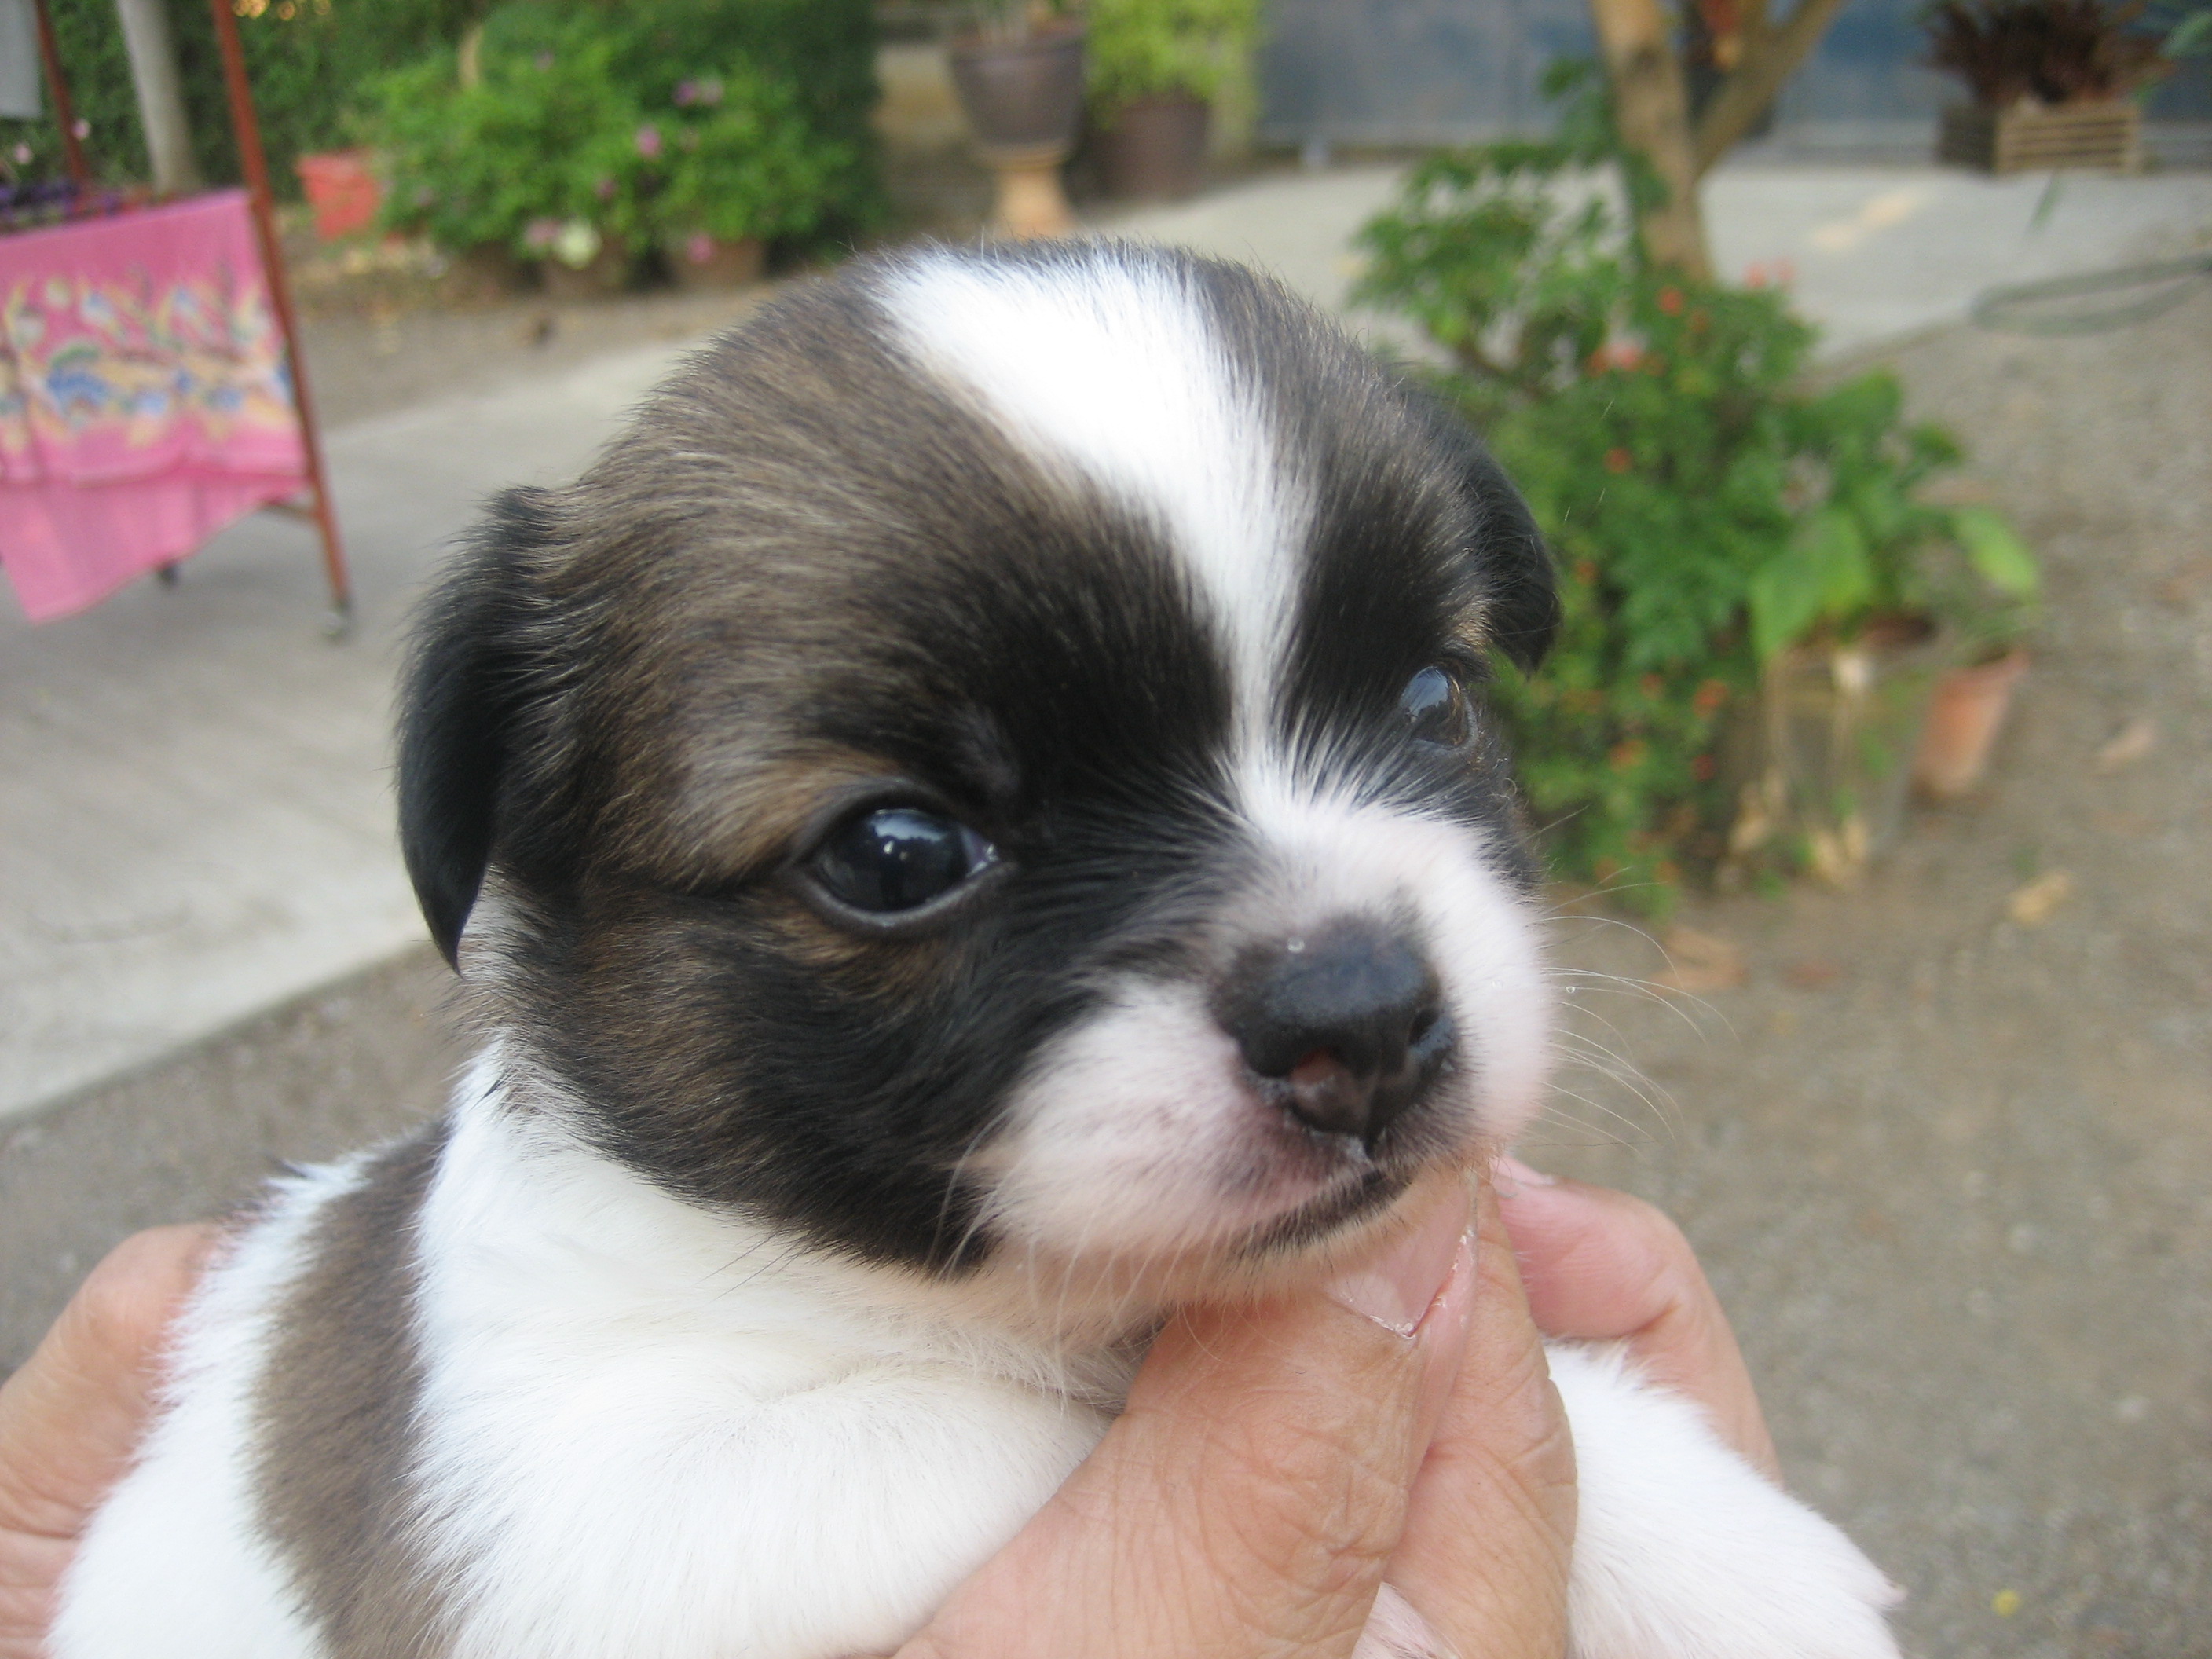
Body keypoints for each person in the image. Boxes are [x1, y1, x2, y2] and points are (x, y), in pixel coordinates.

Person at [0, 1159, 1778, 1659]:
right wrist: (1266, 1514)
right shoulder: (561, 1301)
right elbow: (587, 1580)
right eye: (899, 857)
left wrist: (1612, 1497)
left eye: (1421, 704)